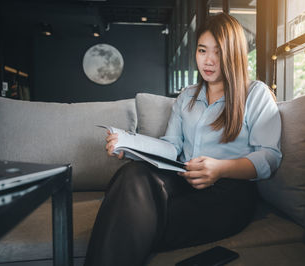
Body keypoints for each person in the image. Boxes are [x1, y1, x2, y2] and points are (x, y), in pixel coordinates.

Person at [85, 13, 282, 266]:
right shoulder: (187, 96)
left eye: (218, 52)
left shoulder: (256, 94)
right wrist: (131, 147)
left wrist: (220, 169)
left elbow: (270, 156)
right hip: (184, 181)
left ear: (234, 54)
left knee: (130, 220)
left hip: (229, 192)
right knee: (132, 173)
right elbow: (171, 145)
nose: (208, 61)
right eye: (202, 50)